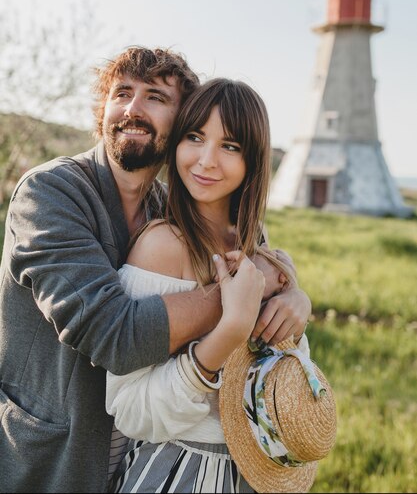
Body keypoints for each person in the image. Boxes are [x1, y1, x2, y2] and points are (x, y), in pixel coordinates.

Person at [0, 47, 311, 494]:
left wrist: (295, 296)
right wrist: (234, 303)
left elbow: (262, 267)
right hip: (58, 453)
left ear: (181, 120)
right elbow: (112, 334)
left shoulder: (173, 207)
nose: (133, 108)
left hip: (146, 452)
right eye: (122, 92)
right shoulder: (50, 193)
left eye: (156, 97)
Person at [106, 78, 312, 493]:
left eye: (230, 146)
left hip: (258, 470)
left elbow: (273, 372)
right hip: (179, 471)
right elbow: (129, 410)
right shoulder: (162, 246)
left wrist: (297, 304)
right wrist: (227, 333)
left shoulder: (256, 241)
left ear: (253, 160)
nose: (206, 161)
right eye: (195, 137)